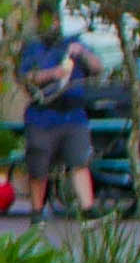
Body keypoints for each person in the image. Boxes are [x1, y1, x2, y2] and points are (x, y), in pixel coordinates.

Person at [18, 18, 98, 218]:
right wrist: (53, 74)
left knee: (79, 161)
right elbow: (26, 77)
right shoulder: (33, 47)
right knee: (38, 168)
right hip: (42, 116)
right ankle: (37, 211)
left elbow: (97, 67)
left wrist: (83, 53)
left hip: (73, 115)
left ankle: (88, 209)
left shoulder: (74, 42)